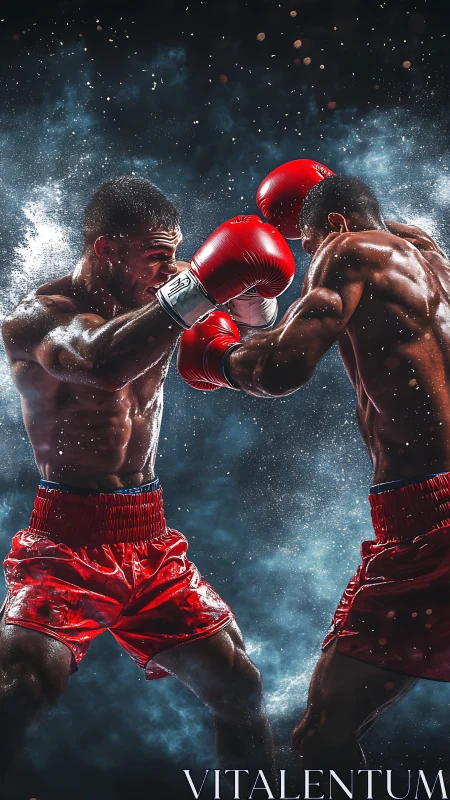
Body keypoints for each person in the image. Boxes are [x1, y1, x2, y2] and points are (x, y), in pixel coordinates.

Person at [0, 175, 295, 776]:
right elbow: (101, 364)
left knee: (240, 688)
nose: (169, 267)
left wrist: (258, 310)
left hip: (149, 536)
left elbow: (264, 372)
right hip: (66, 542)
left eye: (174, 253)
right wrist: (204, 286)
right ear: (108, 248)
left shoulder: (174, 284)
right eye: (155, 255)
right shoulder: (40, 317)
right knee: (21, 693)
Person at [178, 171, 450, 771]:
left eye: (305, 244)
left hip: (430, 523)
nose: (309, 261)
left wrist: (215, 354)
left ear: (332, 226)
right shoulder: (429, 256)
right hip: (430, 509)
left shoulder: (348, 251)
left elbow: (280, 368)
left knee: (322, 735)